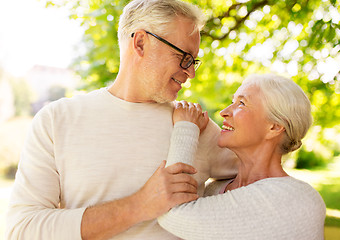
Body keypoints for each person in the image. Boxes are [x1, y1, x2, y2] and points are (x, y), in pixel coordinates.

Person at [5, 0, 238, 239]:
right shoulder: (56, 120)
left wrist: (211, 195)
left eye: (194, 60)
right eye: (184, 57)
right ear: (140, 43)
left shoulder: (193, 125)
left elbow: (261, 177)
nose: (191, 73)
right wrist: (139, 205)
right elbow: (22, 229)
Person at [158, 73, 326, 240]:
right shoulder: (215, 189)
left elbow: (169, 208)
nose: (224, 112)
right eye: (232, 102)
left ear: (274, 127)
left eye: (241, 103)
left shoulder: (297, 199)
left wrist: (186, 128)